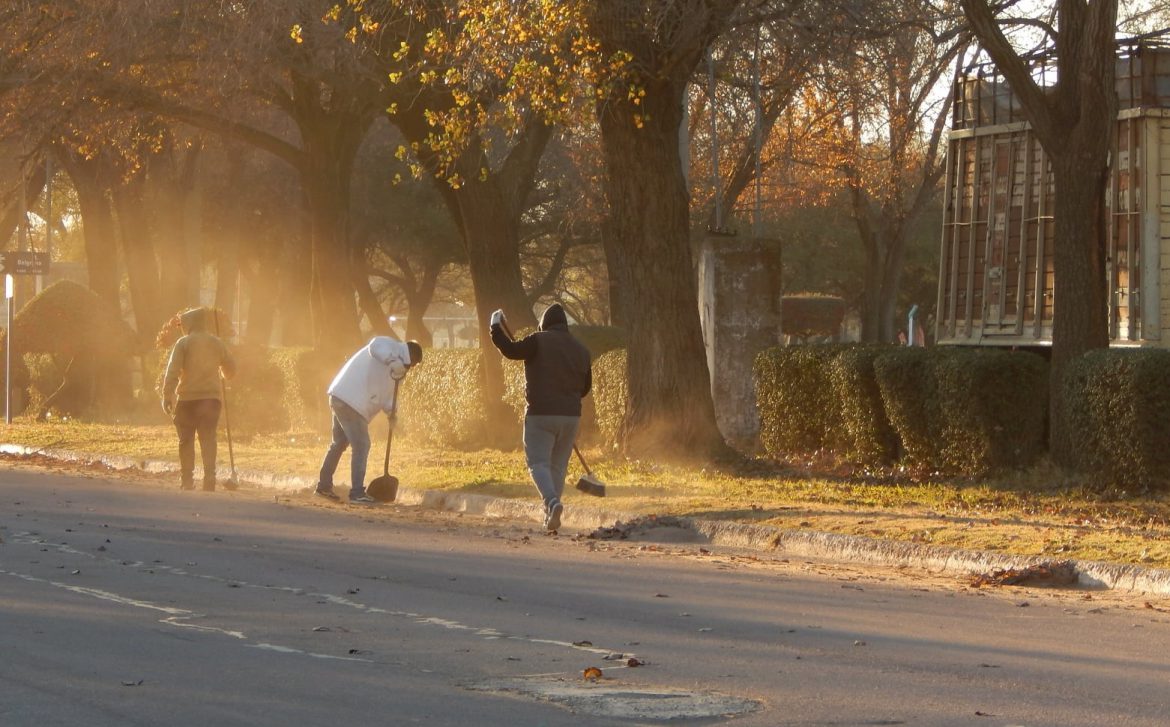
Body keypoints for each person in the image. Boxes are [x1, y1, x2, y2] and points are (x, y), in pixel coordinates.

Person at [489, 303, 591, 532]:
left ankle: (552, 503)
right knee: (558, 465)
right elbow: (585, 389)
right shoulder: (582, 350)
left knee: (538, 462)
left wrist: (495, 328)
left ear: (544, 324)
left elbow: (511, 350)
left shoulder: (538, 340)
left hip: (540, 414)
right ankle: (550, 515)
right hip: (571, 417)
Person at [315, 337, 423, 504]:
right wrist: (392, 360)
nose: (413, 367)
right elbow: (375, 346)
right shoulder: (389, 346)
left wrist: (392, 413)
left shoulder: (399, 373)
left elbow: (389, 396)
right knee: (362, 445)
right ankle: (357, 493)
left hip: (340, 396)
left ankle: (323, 485)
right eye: (414, 363)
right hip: (351, 402)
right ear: (411, 355)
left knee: (339, 443)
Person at [161, 307, 237, 492]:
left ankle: (187, 479)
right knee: (208, 438)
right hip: (211, 399)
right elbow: (231, 369)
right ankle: (209, 478)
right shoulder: (217, 343)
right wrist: (223, 372)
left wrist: (167, 395)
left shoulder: (183, 343)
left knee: (185, 440)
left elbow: (172, 371)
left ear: (189, 324)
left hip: (187, 399)